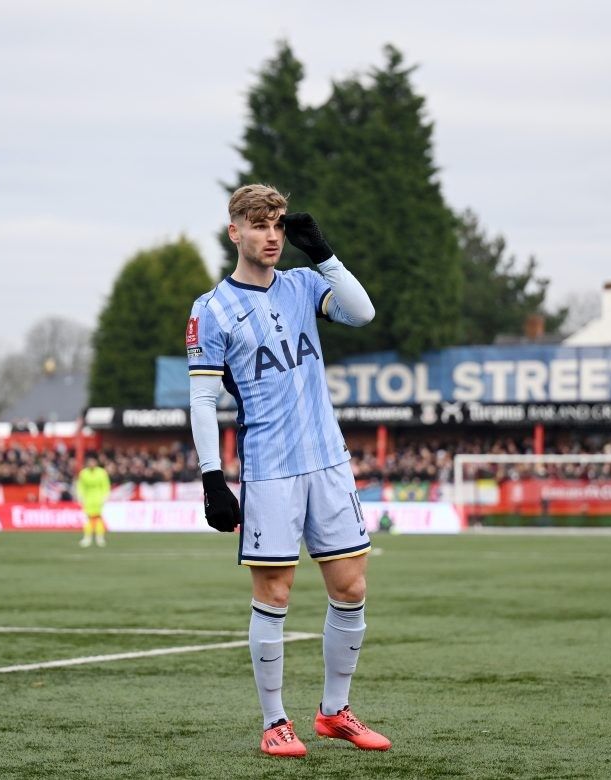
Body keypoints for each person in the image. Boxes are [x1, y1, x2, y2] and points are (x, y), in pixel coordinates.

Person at [186, 184, 390, 757]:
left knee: (351, 586)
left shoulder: (303, 285)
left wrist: (322, 254)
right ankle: (276, 722)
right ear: (235, 232)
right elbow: (203, 401)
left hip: (328, 461)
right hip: (270, 470)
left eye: (278, 225)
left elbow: (362, 311)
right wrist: (211, 476)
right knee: (274, 593)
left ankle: (334, 712)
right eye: (259, 225)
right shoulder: (211, 310)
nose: (272, 236)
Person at [75, 453, 110, 547]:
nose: (91, 464)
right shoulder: (83, 473)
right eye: (90, 462)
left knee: (98, 518)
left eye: (93, 462)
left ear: (96, 462)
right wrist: (80, 495)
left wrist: (105, 496)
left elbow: (105, 485)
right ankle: (87, 538)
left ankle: (100, 538)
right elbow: (81, 486)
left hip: (98, 498)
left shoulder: (102, 472)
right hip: (88, 498)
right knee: (88, 518)